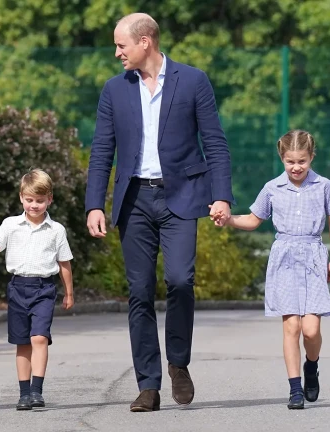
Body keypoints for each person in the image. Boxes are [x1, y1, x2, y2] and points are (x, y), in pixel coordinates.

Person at [85, 12, 234, 412]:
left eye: (121, 45)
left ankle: (178, 363)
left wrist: (221, 196)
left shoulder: (193, 80)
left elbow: (215, 143)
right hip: (134, 200)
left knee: (181, 281)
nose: (117, 52)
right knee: (139, 292)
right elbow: (102, 150)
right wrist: (94, 203)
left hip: (182, 196)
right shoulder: (114, 90)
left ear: (145, 42)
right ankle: (148, 385)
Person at [212, 130, 330, 409]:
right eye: (290, 161)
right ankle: (295, 390)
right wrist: (228, 219)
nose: (296, 167)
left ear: (311, 157)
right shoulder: (272, 188)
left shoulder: (323, 185)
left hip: (312, 256)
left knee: (311, 330)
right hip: (284, 258)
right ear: (282, 158)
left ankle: (312, 365)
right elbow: (253, 219)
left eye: (302, 161)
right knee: (291, 326)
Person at [0, 169, 74, 410]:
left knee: (39, 338)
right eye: (29, 200)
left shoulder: (56, 230)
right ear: (21, 198)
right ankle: (24, 394)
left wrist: (69, 293)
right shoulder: (11, 225)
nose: (34, 205)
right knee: (22, 343)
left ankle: (37, 391)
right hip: (17, 288)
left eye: (39, 200)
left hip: (44, 288)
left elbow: (64, 263)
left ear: (49, 199)